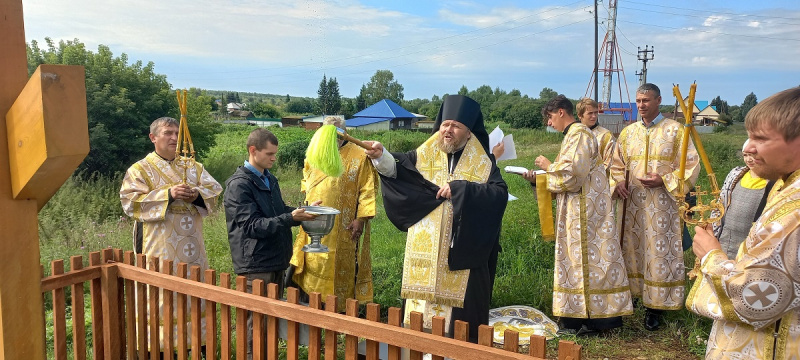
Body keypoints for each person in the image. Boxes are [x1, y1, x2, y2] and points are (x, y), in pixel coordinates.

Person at [363, 95, 508, 343]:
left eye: (455, 126)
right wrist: (381, 156)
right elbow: (400, 170)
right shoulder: (425, 154)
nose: (448, 130)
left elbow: (499, 194)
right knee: (420, 323)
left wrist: (462, 189)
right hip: (426, 251)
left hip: (462, 253)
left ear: (469, 133)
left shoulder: (483, 164)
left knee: (462, 327)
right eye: (445, 124)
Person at [689, 87, 800, 359]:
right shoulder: (786, 187)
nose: (747, 147)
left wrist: (711, 257)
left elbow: (754, 299)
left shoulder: (793, 210)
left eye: (760, 139)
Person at [523, 95, 632, 336]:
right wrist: (538, 180)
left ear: (561, 112)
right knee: (576, 261)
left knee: (590, 261)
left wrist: (546, 170)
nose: (549, 124)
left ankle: (596, 321)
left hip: (587, 214)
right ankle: (577, 317)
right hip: (577, 210)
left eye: (550, 118)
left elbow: (572, 176)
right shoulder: (574, 135)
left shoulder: (580, 134)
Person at [120, 116, 223, 351]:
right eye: (168, 133)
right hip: (158, 247)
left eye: (177, 133)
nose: (174, 138)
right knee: (160, 296)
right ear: (153, 137)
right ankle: (159, 348)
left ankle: (198, 347)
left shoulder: (192, 166)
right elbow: (130, 203)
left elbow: (215, 191)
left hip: (191, 247)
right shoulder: (140, 169)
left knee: (193, 293)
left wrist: (195, 195)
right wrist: (168, 194)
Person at [608, 83, 700, 331]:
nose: (641, 106)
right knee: (634, 249)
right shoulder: (628, 133)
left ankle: (656, 307)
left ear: (659, 101)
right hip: (633, 205)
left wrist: (664, 180)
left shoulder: (677, 131)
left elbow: (691, 166)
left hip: (663, 206)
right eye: (638, 101)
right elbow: (616, 165)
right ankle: (635, 297)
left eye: (646, 101)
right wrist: (617, 183)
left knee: (658, 252)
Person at [223, 128, 318, 359]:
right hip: (255, 263)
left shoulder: (269, 178)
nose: (274, 158)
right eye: (269, 154)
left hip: (275, 259)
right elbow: (253, 226)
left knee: (270, 322)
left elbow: (277, 213)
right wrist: (290, 218)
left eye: (275, 153)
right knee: (254, 325)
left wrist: (301, 213)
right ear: (253, 150)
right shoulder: (239, 185)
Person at [288, 117, 379, 312]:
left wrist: (360, 219)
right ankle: (312, 308)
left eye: (336, 135)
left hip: (344, 226)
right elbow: (306, 181)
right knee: (313, 262)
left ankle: (340, 315)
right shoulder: (315, 153)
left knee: (341, 269)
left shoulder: (359, 155)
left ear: (343, 133)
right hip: (314, 220)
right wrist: (308, 204)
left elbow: (367, 189)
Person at [711, 140, 775, 259]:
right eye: (745, 155)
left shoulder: (775, 181)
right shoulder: (736, 174)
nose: (748, 159)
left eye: (753, 155)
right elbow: (721, 203)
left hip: (752, 244)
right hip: (726, 238)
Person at [576, 98, 615, 173]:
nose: (594, 116)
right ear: (580, 115)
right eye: (590, 113)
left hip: (597, 180)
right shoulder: (575, 133)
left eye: (596, 113)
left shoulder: (605, 135)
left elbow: (609, 162)